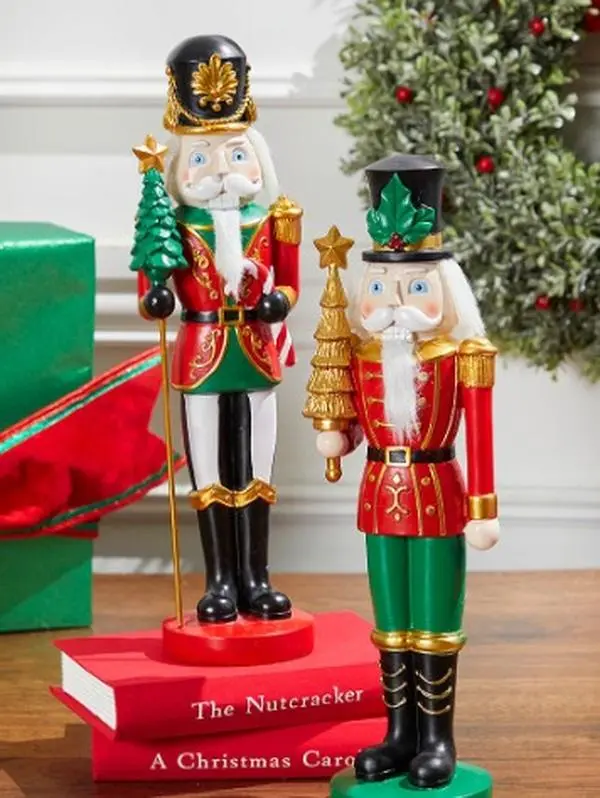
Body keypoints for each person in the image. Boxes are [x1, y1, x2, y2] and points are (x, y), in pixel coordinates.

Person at [313, 154, 499, 788]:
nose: (396, 306)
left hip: (439, 494)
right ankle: (399, 734)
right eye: (384, 289)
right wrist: (338, 433)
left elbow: (483, 437)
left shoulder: (461, 356)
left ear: (445, 291)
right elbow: (352, 414)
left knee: (435, 624)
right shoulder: (363, 355)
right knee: (390, 623)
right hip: (378, 493)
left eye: (415, 288)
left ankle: (437, 740)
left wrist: (484, 509)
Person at [136, 35, 301, 624]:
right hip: (203, 349)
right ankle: (220, 581)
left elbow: (290, 284)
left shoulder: (276, 219)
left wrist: (278, 302)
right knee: (208, 464)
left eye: (235, 154)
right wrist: (156, 295)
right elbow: (152, 282)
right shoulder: (174, 222)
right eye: (203, 159)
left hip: (254, 349)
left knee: (255, 463)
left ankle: (257, 577)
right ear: (182, 168)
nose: (222, 172)